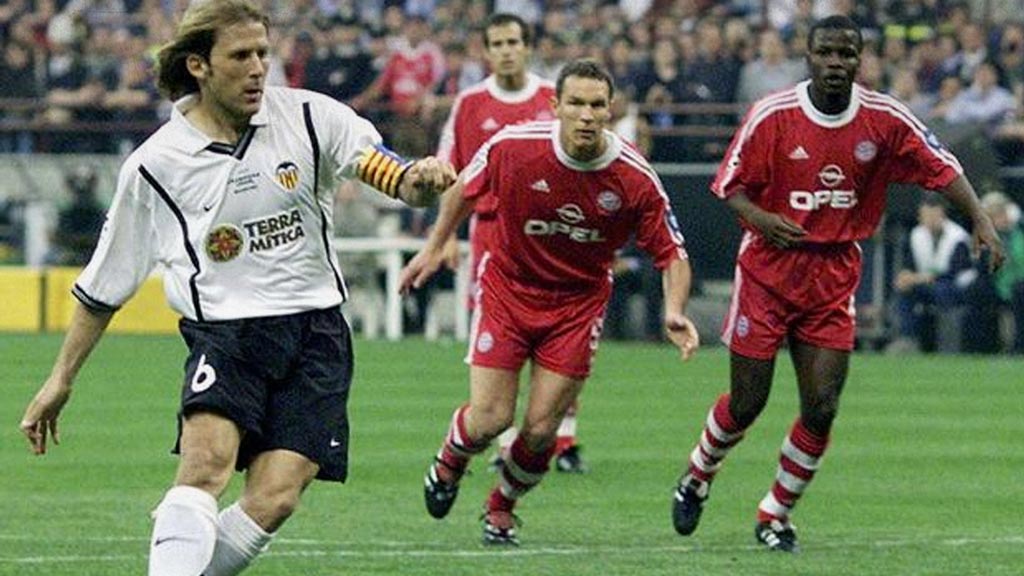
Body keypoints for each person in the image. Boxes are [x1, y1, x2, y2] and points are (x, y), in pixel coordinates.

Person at [18, 2, 454, 576]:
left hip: (317, 332)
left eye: (263, 55)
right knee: (205, 467)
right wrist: (60, 379)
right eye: (240, 56)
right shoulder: (155, 166)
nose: (257, 69)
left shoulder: (308, 116)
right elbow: (103, 287)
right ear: (198, 65)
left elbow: (388, 172)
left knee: (275, 498)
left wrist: (418, 182)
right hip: (228, 334)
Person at [670, 15, 1003, 553]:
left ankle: (775, 514)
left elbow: (941, 165)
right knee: (748, 402)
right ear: (809, 55)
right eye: (826, 53)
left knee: (822, 406)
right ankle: (697, 474)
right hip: (768, 271)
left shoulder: (884, 117)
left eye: (846, 54)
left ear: (859, 59)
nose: (835, 63)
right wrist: (762, 219)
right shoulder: (772, 115)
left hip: (833, 274)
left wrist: (981, 219)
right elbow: (730, 188)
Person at [400, 58, 700, 546]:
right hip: (508, 290)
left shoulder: (634, 177)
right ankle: (451, 459)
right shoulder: (514, 146)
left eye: (597, 105)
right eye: (576, 104)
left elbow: (672, 252)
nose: (586, 115)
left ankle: (501, 507)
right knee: (492, 418)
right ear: (556, 106)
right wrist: (437, 243)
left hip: (577, 307)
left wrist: (674, 310)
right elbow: (461, 187)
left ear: (611, 110)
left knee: (540, 434)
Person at [437, 13, 592, 473]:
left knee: (565, 337)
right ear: (486, 52)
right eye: (497, 43)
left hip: (554, 233)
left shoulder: (554, 98)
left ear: (527, 47)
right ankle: (505, 441)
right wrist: (445, 237)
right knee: (503, 342)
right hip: (492, 234)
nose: (506, 50)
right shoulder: (469, 103)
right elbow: (453, 170)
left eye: (513, 42)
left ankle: (563, 439)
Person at [888, 194, 974, 353]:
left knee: (942, 291)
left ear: (942, 214)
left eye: (933, 215)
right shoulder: (916, 235)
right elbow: (910, 264)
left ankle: (947, 345)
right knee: (905, 290)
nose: (929, 220)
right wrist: (906, 276)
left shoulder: (958, 237)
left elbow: (955, 272)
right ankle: (908, 339)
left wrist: (922, 277)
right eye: (925, 216)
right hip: (926, 284)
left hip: (956, 285)